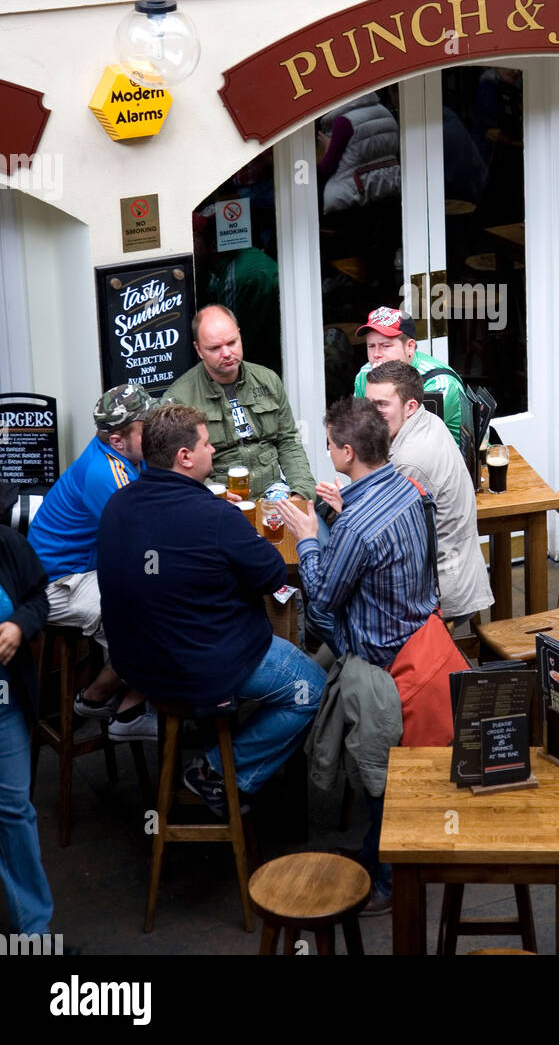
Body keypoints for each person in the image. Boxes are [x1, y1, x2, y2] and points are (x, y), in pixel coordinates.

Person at [96, 404, 325, 820]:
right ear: (185, 457)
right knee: (312, 687)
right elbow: (273, 575)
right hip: (201, 670)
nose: (214, 449)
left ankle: (214, 740)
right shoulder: (216, 516)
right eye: (206, 442)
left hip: (137, 669)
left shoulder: (117, 505)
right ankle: (214, 770)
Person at [275, 397, 438, 912]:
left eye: (328, 445)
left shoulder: (355, 527)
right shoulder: (411, 491)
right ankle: (373, 852)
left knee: (378, 771)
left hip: (381, 664)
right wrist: (343, 518)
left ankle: (388, 882)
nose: (326, 451)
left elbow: (323, 600)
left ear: (347, 452)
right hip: (424, 636)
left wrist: (308, 538)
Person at [26, 383, 154, 739]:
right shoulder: (106, 474)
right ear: (117, 440)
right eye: (147, 427)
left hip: (86, 565)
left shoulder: (126, 456)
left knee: (158, 597)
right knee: (151, 613)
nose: (156, 429)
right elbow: (143, 544)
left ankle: (130, 701)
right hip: (58, 582)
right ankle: (101, 700)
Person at [365, 361, 492, 624]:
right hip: (453, 571)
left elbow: (386, 543)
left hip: (440, 591)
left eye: (381, 405)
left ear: (410, 407)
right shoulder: (427, 419)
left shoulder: (409, 461)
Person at [167, 303, 316, 501]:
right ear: (199, 349)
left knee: (319, 533)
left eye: (231, 342)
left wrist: (301, 492)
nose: (226, 353)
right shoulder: (179, 399)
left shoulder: (268, 379)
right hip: (218, 499)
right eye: (215, 348)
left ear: (239, 335)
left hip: (274, 492)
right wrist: (215, 497)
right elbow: (178, 466)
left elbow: (288, 441)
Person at [0, 524, 54, 936]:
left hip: (6, 707)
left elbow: (39, 596)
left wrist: (20, 624)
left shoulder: (5, 542)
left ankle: (32, 934)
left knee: (14, 812)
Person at [353, 307, 468, 444]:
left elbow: (410, 443)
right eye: (371, 346)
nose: (376, 354)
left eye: (385, 346)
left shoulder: (438, 383)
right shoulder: (365, 375)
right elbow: (360, 428)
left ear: (410, 347)